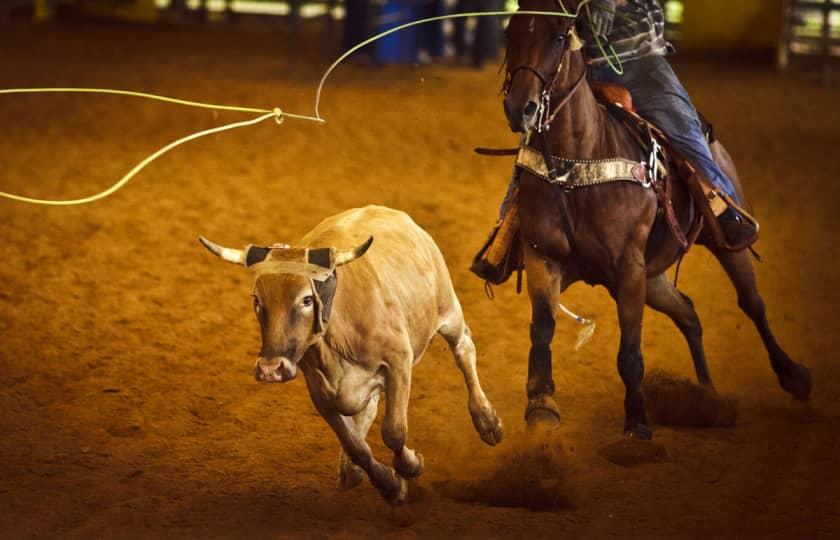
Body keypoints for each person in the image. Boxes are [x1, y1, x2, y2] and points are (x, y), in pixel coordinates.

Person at [581, 0, 757, 246]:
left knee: (680, 124)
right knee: (539, 115)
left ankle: (721, 205)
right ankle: (512, 222)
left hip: (638, 61)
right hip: (572, 55)